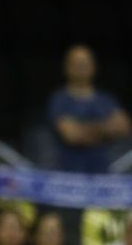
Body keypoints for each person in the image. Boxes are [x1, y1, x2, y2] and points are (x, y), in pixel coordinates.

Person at [48, 44, 130, 173]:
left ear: (94, 66)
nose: (82, 68)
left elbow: (124, 127)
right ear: (67, 67)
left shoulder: (106, 99)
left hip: (103, 173)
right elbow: (72, 136)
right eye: (77, 63)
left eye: (85, 63)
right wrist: (106, 131)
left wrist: (85, 130)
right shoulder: (60, 100)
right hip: (70, 175)